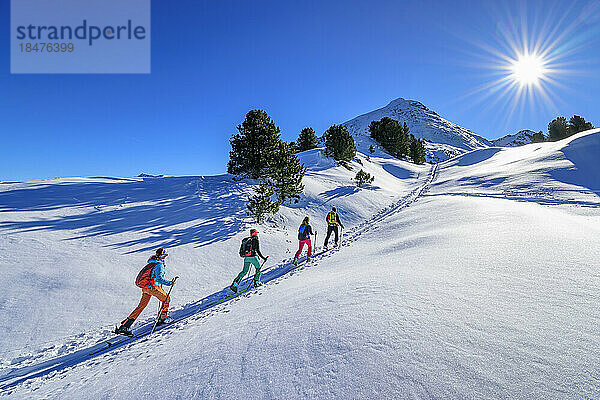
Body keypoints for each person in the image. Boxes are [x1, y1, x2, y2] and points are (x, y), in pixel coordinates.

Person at [115, 248, 176, 335]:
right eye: (165, 255)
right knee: (166, 299)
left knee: (141, 306)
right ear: (163, 256)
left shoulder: (152, 263)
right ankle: (163, 318)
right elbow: (159, 278)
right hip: (153, 288)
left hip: (146, 288)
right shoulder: (159, 265)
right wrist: (170, 283)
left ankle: (125, 326)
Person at [230, 229, 268, 293]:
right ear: (254, 233)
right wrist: (263, 258)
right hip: (253, 257)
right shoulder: (255, 240)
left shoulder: (247, 240)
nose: (257, 234)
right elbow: (258, 250)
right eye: (256, 233)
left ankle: (234, 284)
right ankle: (256, 283)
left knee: (244, 272)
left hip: (246, 258)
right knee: (258, 269)